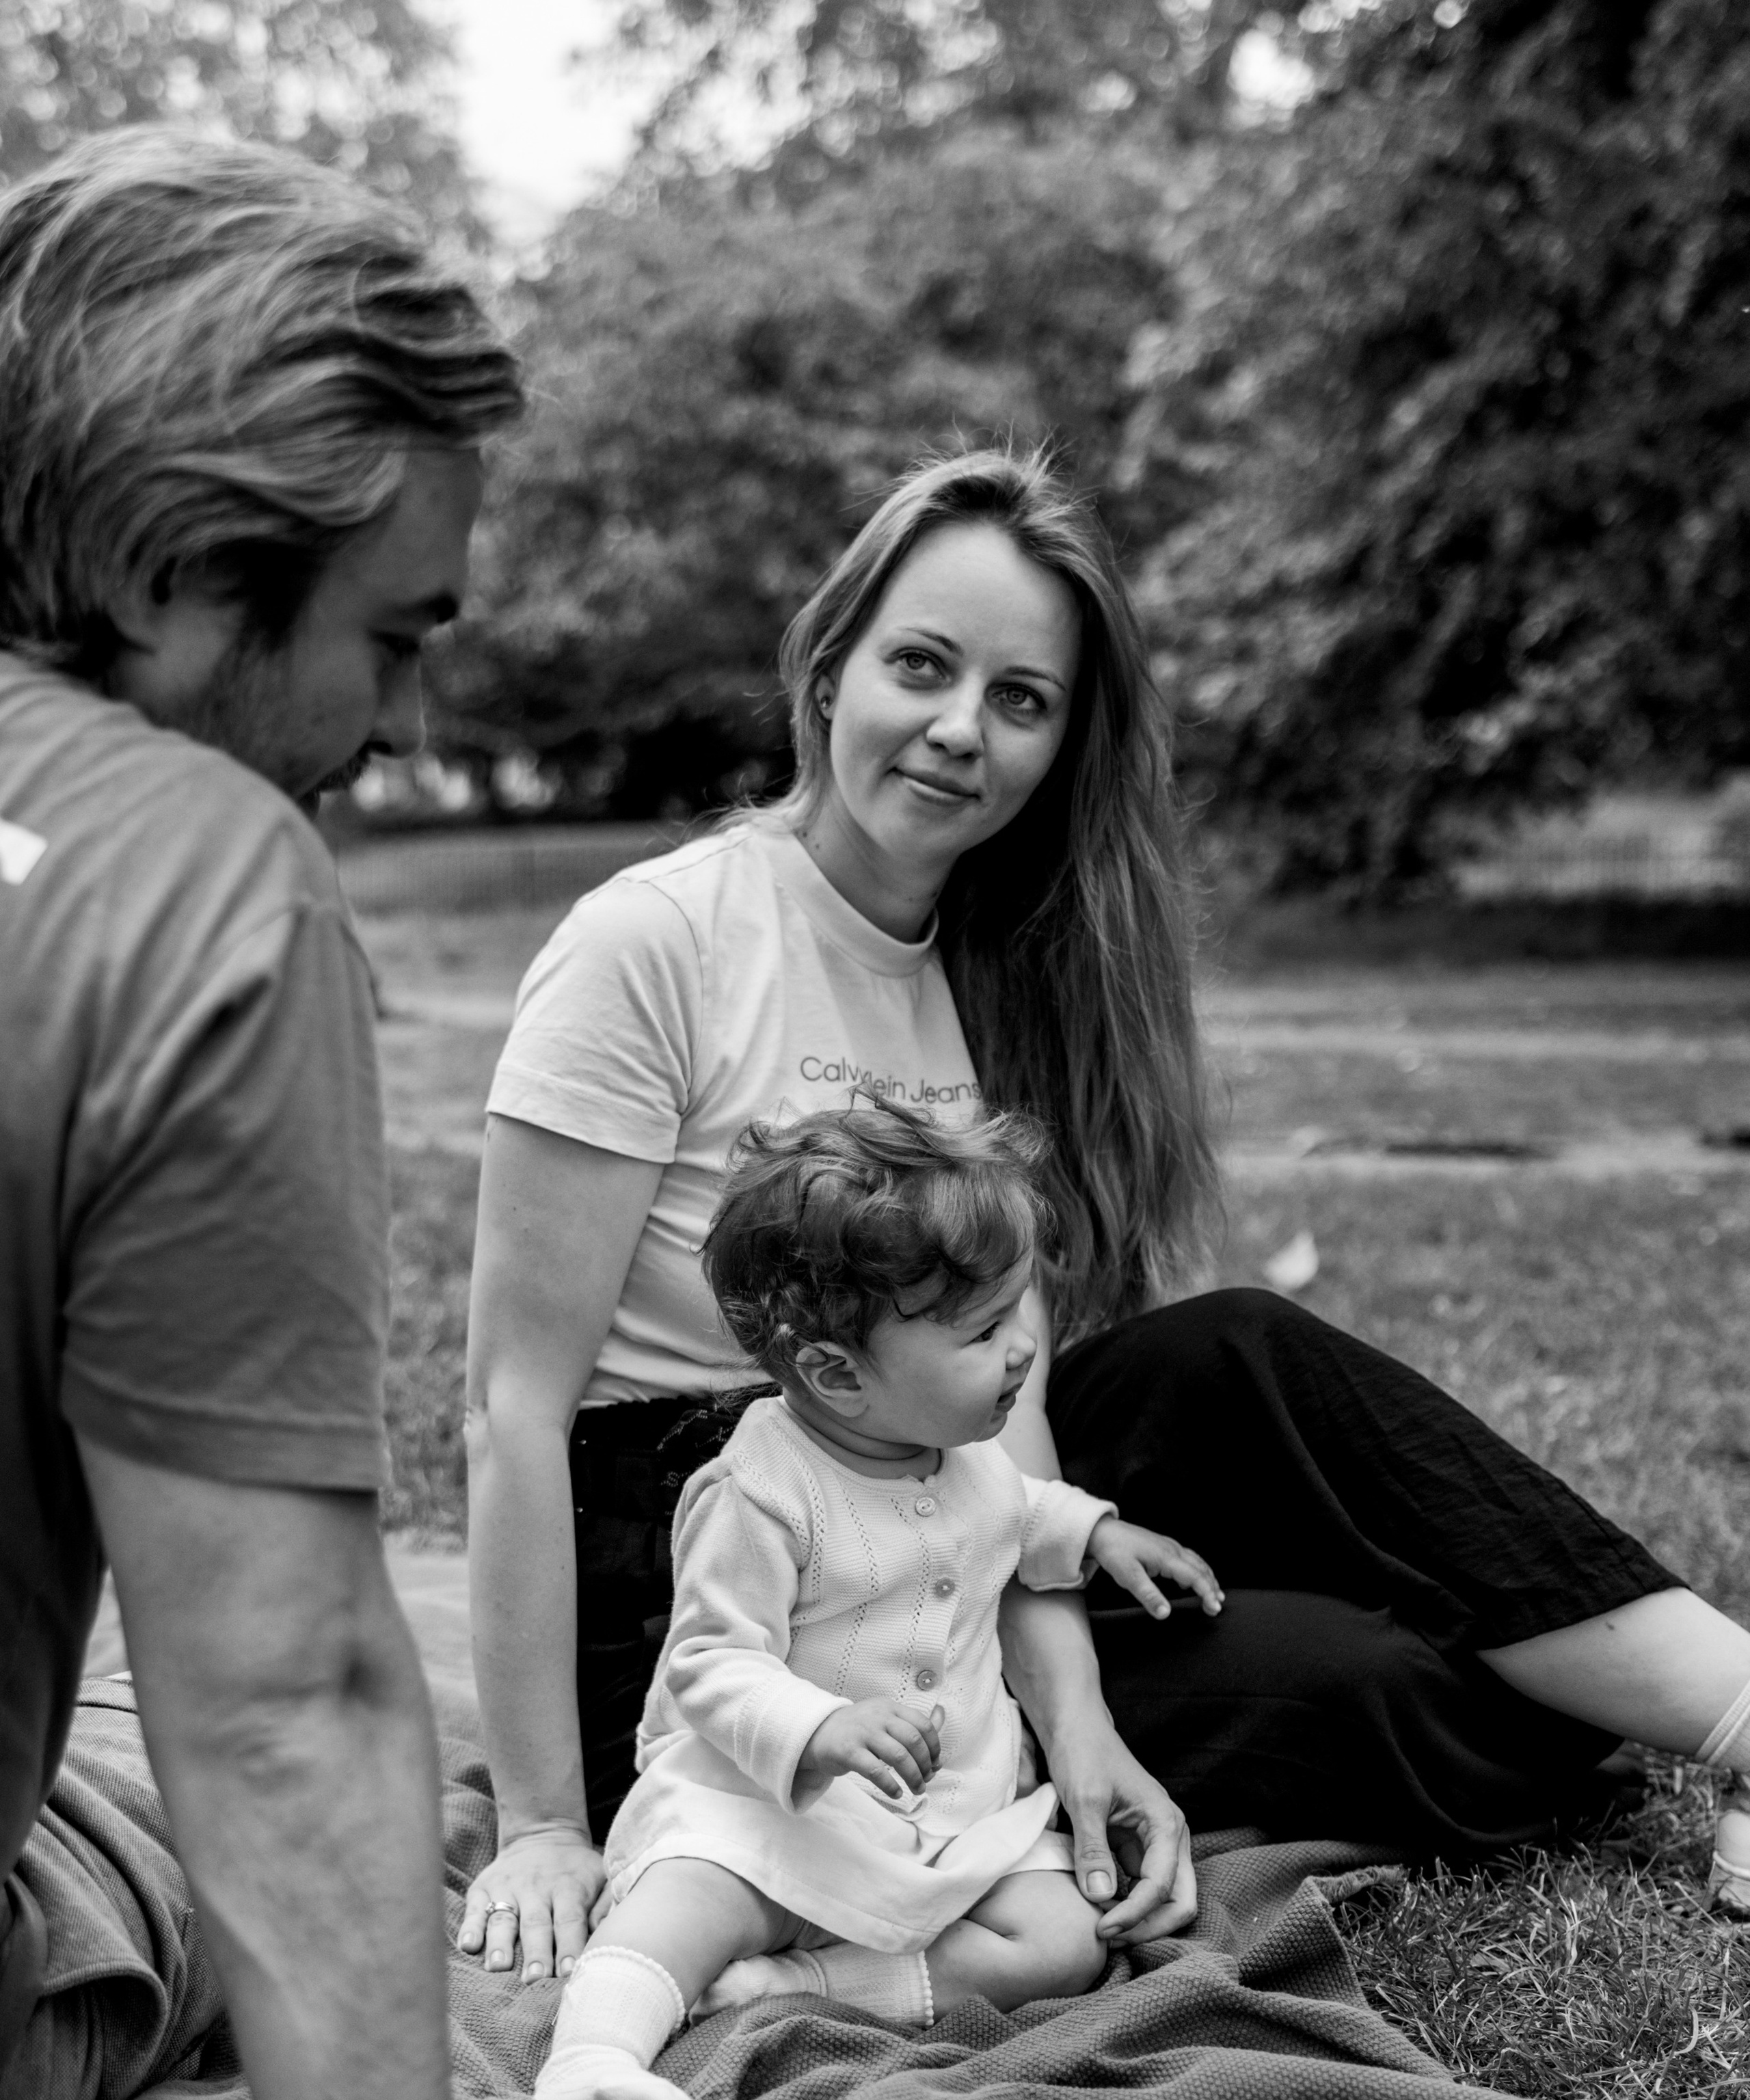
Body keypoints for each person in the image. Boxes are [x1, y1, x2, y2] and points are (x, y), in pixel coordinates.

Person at [0, 129, 827, 2100]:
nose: (381, 724)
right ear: (175, 571)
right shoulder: (192, 890)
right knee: (198, 1779)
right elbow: (288, 1700)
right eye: (393, 634)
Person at [461, 442, 1750, 1978]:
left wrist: (1072, 1727)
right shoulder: (654, 941)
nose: (959, 731)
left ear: (1063, 743)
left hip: (929, 1519)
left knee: (1235, 1353)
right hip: (728, 1622)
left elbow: (999, 1432)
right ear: (826, 671)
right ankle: (1643, 1700)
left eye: (1020, 699)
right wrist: (546, 1817)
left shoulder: (981, 977)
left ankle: (1734, 1714)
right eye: (921, 667)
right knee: (1378, 1683)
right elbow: (511, 1406)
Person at [533, 1099, 1224, 2100]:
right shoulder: (758, 1489)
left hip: (943, 1809)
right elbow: (710, 1661)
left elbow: (1016, 1515)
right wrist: (818, 1728)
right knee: (690, 1899)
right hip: (777, 1804)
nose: (1024, 1350)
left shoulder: (964, 1455)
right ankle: (592, 2054)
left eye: (1018, 1312)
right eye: (985, 1331)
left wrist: (1096, 1533)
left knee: (1063, 1939)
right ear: (834, 1373)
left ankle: (797, 1986)